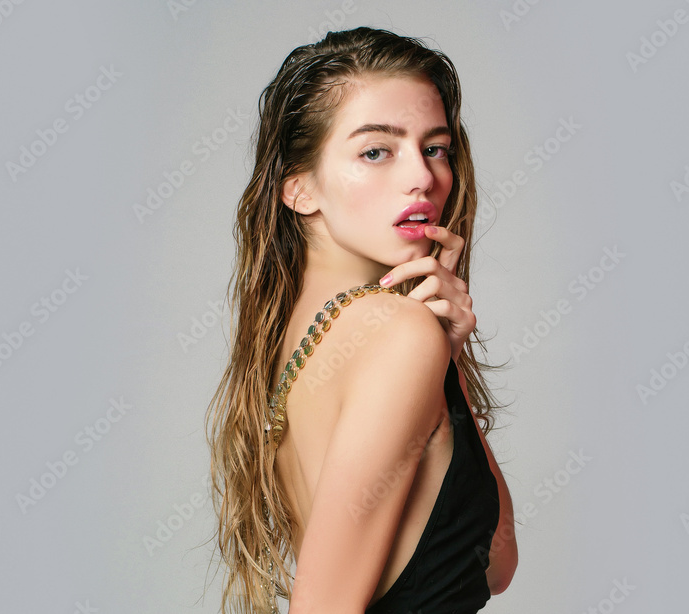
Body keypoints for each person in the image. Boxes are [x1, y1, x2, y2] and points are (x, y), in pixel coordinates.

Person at [205, 27, 518, 613]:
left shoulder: (300, 336)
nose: (422, 176)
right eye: (377, 151)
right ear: (299, 189)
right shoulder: (396, 334)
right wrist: (425, 346)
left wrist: (447, 363)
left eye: (435, 148)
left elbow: (496, 563)